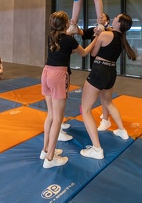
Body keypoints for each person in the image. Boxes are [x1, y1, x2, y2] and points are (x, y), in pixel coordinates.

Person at [41, 11, 99, 169]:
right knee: (58, 119)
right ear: (66, 24)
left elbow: (66, 49)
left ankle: (45, 150)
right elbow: (84, 53)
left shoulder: (51, 36)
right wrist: (96, 39)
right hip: (59, 75)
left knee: (51, 115)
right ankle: (50, 158)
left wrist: (72, 32)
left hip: (46, 72)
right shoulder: (67, 39)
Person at [80, 13, 137, 160]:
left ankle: (97, 149)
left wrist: (97, 37)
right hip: (111, 73)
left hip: (99, 71)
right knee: (107, 102)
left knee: (85, 110)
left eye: (117, 18)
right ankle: (122, 130)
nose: (114, 18)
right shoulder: (121, 39)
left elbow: (93, 53)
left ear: (119, 24)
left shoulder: (106, 35)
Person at [77, 13, 112, 131]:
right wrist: (74, 25)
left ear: (107, 20)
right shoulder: (94, 30)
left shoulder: (109, 32)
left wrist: (104, 28)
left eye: (103, 17)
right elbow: (81, 32)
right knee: (101, 93)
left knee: (104, 94)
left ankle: (106, 119)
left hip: (105, 66)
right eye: (99, 16)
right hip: (95, 66)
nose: (100, 17)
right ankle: (105, 115)